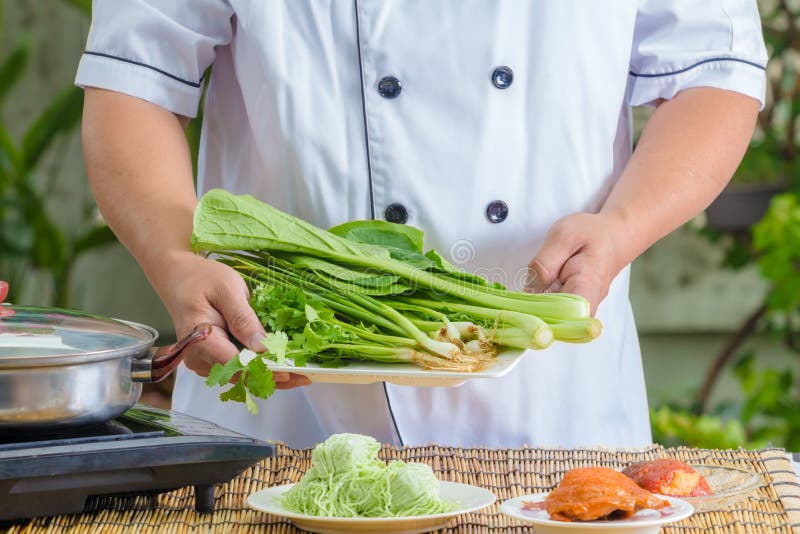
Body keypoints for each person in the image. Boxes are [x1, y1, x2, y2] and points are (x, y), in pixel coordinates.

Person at [77, 2, 767, 448]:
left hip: (552, 407)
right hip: (288, 400)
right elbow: (134, 83)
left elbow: (714, 72)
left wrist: (623, 225)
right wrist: (175, 257)